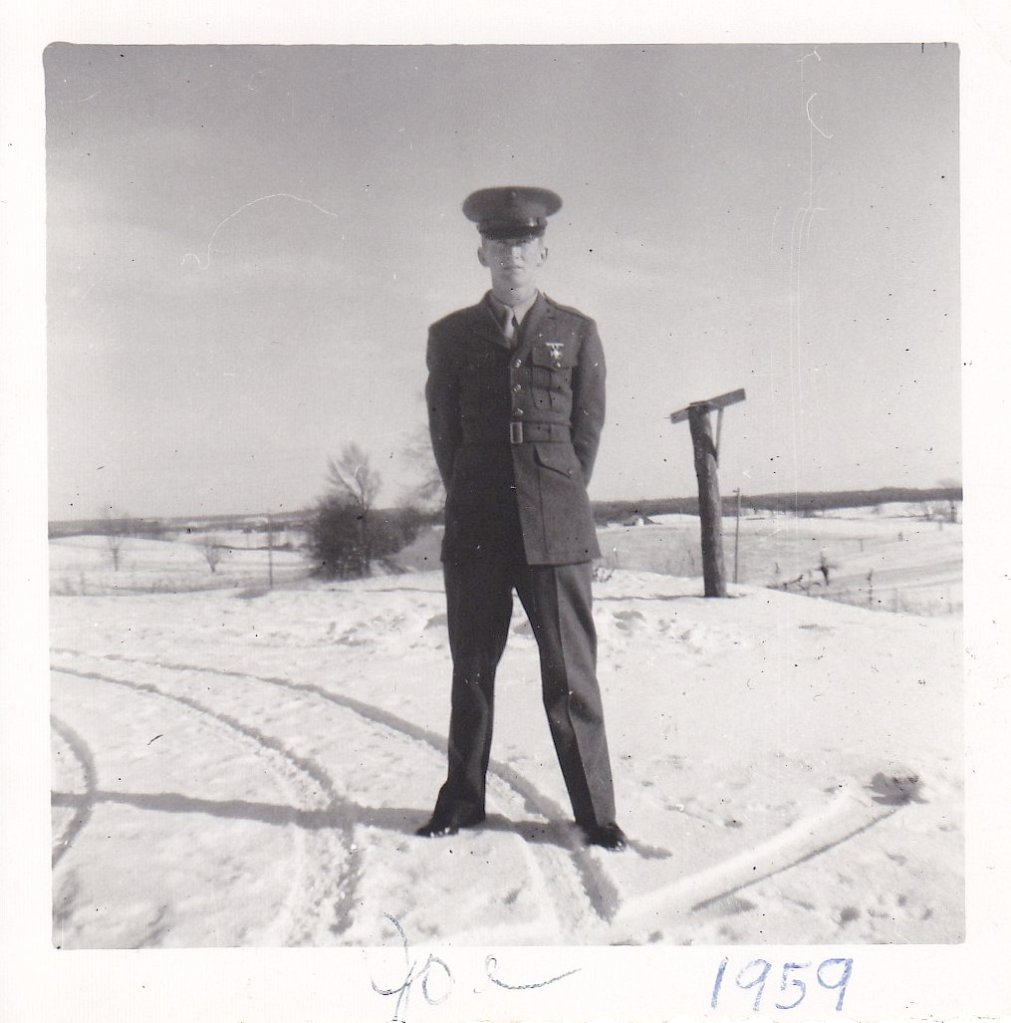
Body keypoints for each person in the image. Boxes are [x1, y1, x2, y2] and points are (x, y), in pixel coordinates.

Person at [418, 186, 627, 850]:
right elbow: (445, 435)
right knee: (472, 670)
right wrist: (475, 492)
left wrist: (553, 492)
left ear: (543, 252)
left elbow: (585, 432)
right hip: (478, 523)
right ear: (481, 253)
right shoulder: (450, 336)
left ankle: (595, 813)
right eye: (499, 245)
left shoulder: (577, 331)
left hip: (555, 525)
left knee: (571, 676)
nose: (512, 257)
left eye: (524, 245)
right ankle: (462, 801)